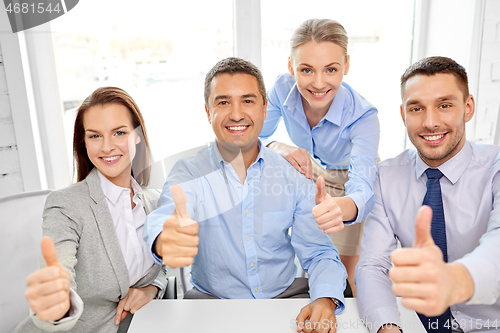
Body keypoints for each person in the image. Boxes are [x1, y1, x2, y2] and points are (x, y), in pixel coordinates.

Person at [144, 57, 347, 333]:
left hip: (284, 299)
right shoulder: (189, 173)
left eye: (248, 101)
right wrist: (163, 240)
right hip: (210, 304)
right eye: (223, 102)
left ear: (265, 109)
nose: (236, 114)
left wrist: (324, 298)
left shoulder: (291, 175)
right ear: (208, 112)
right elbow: (163, 217)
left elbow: (318, 251)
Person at [356, 56, 500, 333]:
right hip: (416, 325)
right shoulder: (385, 176)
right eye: (417, 108)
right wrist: (387, 327)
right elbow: (373, 265)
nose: (430, 122)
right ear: (403, 115)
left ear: (467, 108)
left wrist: (455, 281)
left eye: (444, 105)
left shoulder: (495, 168)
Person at [18, 87, 167, 333]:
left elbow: (163, 265)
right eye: (95, 136)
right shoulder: (65, 205)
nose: (107, 147)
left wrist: (152, 288)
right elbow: (60, 271)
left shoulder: (154, 202)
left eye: (119, 132)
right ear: (84, 142)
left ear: (137, 136)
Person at [259, 19, 380, 296]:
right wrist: (278, 146)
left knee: (344, 272)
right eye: (306, 70)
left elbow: (363, 188)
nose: (318, 83)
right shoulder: (280, 89)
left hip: (351, 179)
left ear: (346, 65)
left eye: (331, 69)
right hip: (315, 169)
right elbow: (254, 138)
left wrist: (342, 208)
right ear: (291, 66)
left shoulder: (363, 116)